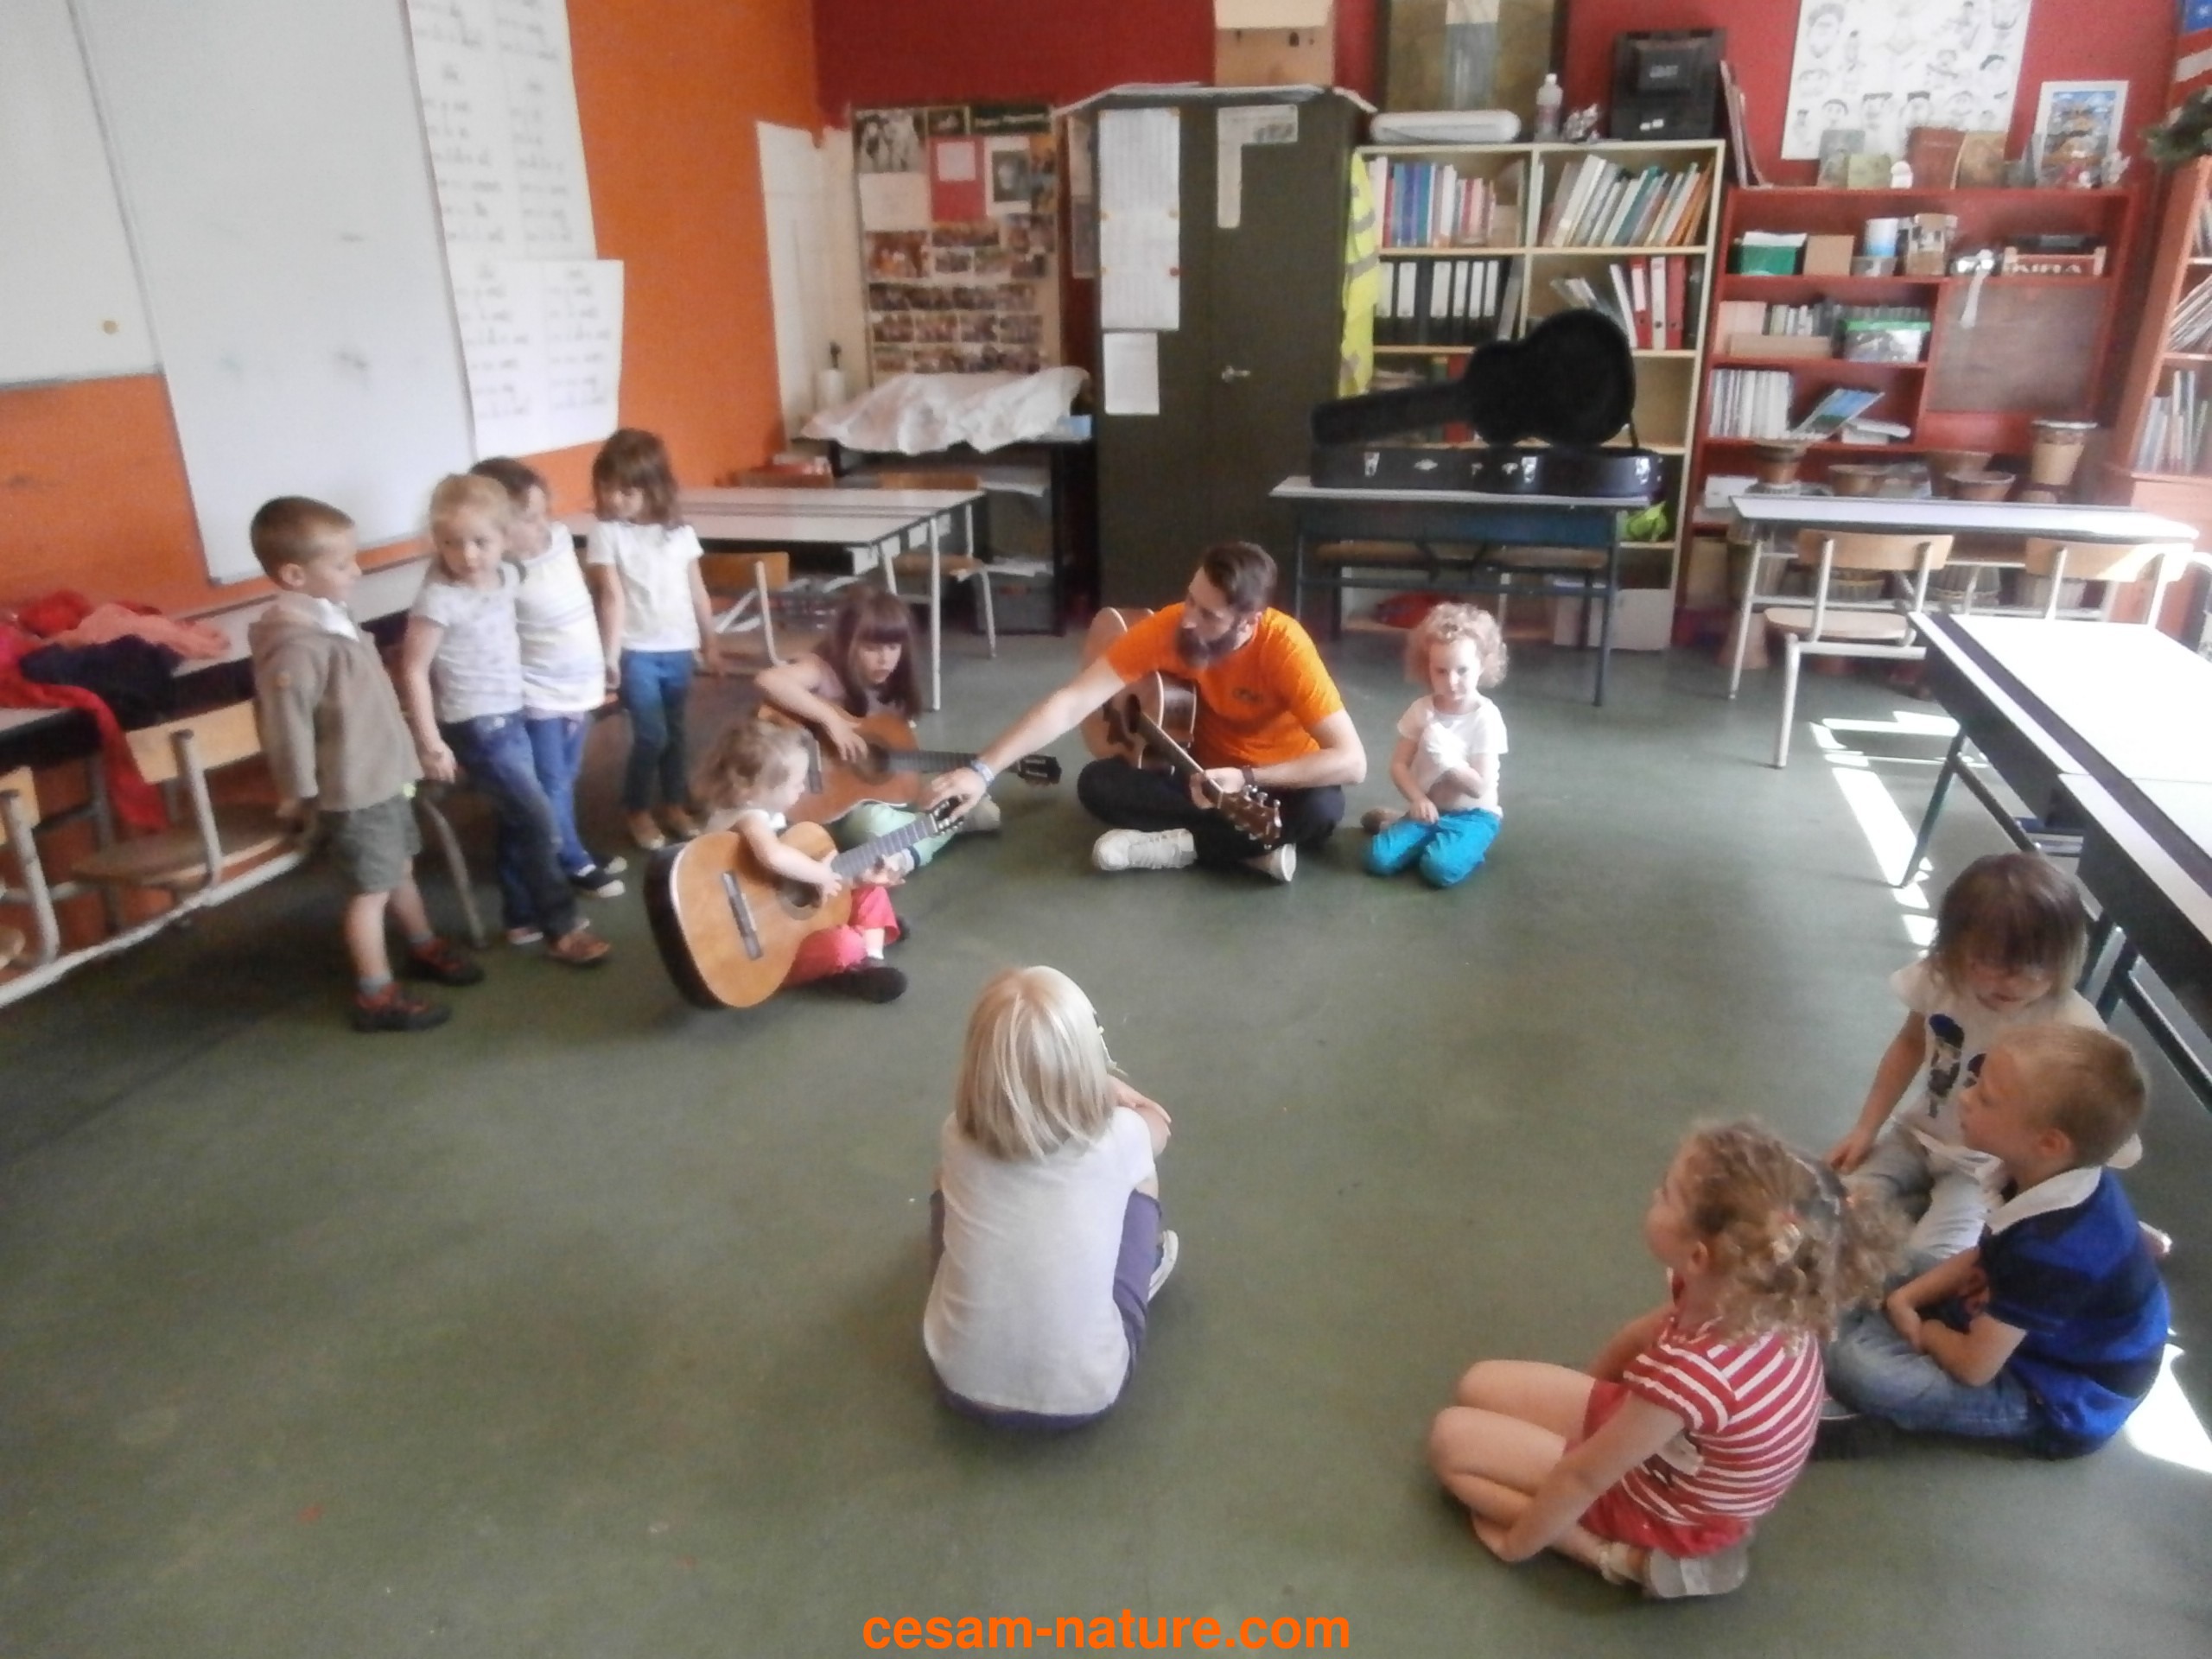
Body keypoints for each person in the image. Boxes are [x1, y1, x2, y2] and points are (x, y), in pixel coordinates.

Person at [1428, 1122, 1892, 1599]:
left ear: (1698, 1256)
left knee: (1452, 1445)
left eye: (1667, 1194)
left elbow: (1583, 1478)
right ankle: (1597, 1492)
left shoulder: (1692, 1375)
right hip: (1678, 1456)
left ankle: (1615, 1558)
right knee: (1477, 1383)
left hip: (1665, 1507)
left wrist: (1517, 1546)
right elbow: (1637, 1338)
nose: (1655, 1193)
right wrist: (1589, 1409)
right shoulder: (1753, 1293)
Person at [925, 542, 1365, 884]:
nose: (1188, 619)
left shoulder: (1285, 647)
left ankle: (1188, 845)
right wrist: (982, 771)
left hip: (1276, 782)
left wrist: (1247, 777)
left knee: (1322, 810)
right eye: (1190, 599)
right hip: (1196, 777)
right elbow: (1072, 702)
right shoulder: (1169, 629)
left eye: (1209, 615)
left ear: (1249, 622)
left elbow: (1352, 761)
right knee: (1097, 784)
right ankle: (1248, 848)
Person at [1822, 1026, 2169, 1459]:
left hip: (2047, 1393)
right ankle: (1847, 1326)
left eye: (1986, 1098)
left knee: (1866, 1371)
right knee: (1878, 1259)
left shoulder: (2055, 1249)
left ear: (2048, 1143)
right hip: (2006, 1323)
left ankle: (1852, 1378)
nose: (1965, 1098)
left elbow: (1974, 1368)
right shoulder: (2045, 1175)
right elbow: (1984, 1258)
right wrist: (1905, 1300)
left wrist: (1926, 1330)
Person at [1827, 852, 2133, 1269]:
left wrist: (2096, 1220)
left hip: (1986, 1166)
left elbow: (2093, 1138)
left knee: (1940, 1257)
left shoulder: (2069, 1025)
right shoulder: (1941, 978)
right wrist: (1866, 1128)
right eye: (1989, 962)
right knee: (1840, 1209)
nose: (2013, 982)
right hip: (1915, 1137)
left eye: (2036, 967)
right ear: (1954, 948)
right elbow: (1910, 1044)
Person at [247, 497, 484, 1033]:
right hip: (353, 790)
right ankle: (376, 995)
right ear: (294, 575)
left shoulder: (335, 618)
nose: (355, 571)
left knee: (398, 867)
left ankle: (422, 944)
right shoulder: (296, 646)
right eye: (341, 564)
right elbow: (286, 727)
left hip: (386, 777)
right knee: (370, 891)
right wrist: (298, 792)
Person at [923, 966, 1177, 1428]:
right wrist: (1108, 1089)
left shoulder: (956, 1135)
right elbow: (1158, 1125)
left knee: (946, 1179)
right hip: (1084, 1395)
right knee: (1142, 1177)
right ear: (1087, 1060)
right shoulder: (1120, 1137)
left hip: (958, 1380)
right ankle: (1143, 1271)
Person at [397, 474, 611, 968]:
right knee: (538, 817)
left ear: (504, 536)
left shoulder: (508, 576)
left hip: (513, 712)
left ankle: (520, 917)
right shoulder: (439, 597)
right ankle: (563, 928)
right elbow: (413, 669)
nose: (467, 555)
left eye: (481, 541)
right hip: (476, 724)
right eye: (451, 543)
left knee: (522, 816)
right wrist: (430, 742)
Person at [468, 456, 626, 899]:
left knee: (566, 776)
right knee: (551, 781)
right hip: (538, 695)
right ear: (495, 528)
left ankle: (566, 842)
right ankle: (571, 859)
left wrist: (606, 658)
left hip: (578, 686)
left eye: (544, 513)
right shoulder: (497, 576)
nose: (543, 525)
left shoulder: (557, 540)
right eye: (530, 519)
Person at [754, 585, 999, 868]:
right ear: (846, 643)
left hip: (852, 804)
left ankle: (930, 828)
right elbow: (769, 680)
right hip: (812, 806)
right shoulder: (823, 669)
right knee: (871, 826)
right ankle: (951, 820)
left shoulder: (892, 688)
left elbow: (894, 769)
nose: (885, 659)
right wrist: (831, 720)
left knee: (893, 812)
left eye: (893, 647)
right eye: (871, 648)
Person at [693, 718, 909, 1001]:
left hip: (780, 912)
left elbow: (786, 872)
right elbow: (773, 856)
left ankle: (871, 959)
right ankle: (863, 949)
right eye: (796, 783)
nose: (803, 788)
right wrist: (823, 875)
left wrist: (850, 877)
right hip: (769, 947)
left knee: (872, 890)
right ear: (757, 789)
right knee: (844, 944)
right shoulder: (747, 817)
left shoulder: (760, 812)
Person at [585, 428, 724, 853]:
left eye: (626, 491)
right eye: (607, 488)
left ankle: (674, 803)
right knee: (652, 735)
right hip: (636, 651)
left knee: (677, 733)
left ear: (654, 488)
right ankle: (636, 808)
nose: (614, 499)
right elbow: (611, 597)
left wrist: (710, 643)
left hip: (678, 648)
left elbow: (697, 591)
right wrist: (611, 657)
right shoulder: (606, 533)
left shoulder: (679, 533)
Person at [1361, 603, 1508, 888]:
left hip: (1473, 815)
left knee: (1439, 869)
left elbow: (1478, 787)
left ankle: (1463, 845)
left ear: (1482, 665)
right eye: (1441, 671)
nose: (1451, 681)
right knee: (1377, 860)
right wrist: (1418, 799)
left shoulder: (1486, 718)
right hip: (1429, 810)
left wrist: (1444, 756)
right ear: (1426, 667)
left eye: (1462, 670)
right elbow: (1399, 765)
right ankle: (1403, 826)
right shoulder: (1421, 710)